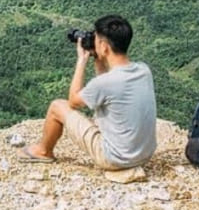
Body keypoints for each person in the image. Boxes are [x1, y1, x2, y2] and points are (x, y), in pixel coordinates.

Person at [20, 15, 157, 171]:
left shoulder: (105, 83)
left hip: (115, 159)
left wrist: (82, 60)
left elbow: (73, 101)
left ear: (104, 47)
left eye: (97, 39)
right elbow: (108, 90)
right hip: (144, 155)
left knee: (57, 106)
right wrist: (99, 61)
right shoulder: (144, 70)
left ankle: (43, 151)